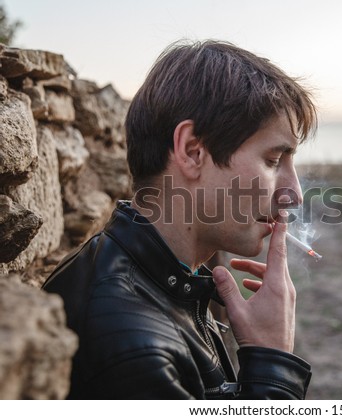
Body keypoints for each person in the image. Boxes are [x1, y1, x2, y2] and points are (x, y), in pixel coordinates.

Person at [42, 40, 318, 399]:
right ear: (192, 151)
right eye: (273, 160)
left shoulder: (163, 277)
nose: (294, 194)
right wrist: (272, 360)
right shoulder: (139, 354)